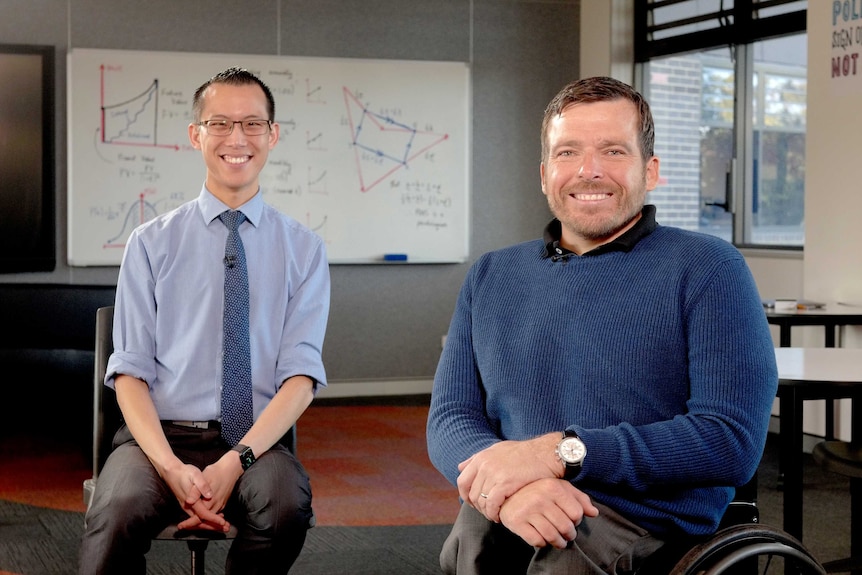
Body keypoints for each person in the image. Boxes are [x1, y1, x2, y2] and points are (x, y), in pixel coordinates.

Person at [426, 76, 778, 574]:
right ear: (545, 173)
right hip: (518, 505)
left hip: (647, 521)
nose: (588, 171)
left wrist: (562, 454)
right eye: (568, 153)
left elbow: (729, 440)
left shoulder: (708, 268)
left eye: (613, 151)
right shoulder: (493, 274)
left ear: (650, 170)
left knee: (565, 554)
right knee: (473, 543)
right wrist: (517, 489)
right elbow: (450, 419)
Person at [79, 67, 330, 575]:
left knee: (285, 507)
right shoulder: (150, 243)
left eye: (253, 124)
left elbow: (300, 379)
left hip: (253, 442)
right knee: (118, 507)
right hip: (158, 439)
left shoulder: (304, 249)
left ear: (273, 135)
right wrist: (172, 470)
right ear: (196, 136)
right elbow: (128, 374)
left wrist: (233, 462)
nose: (237, 138)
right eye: (220, 123)